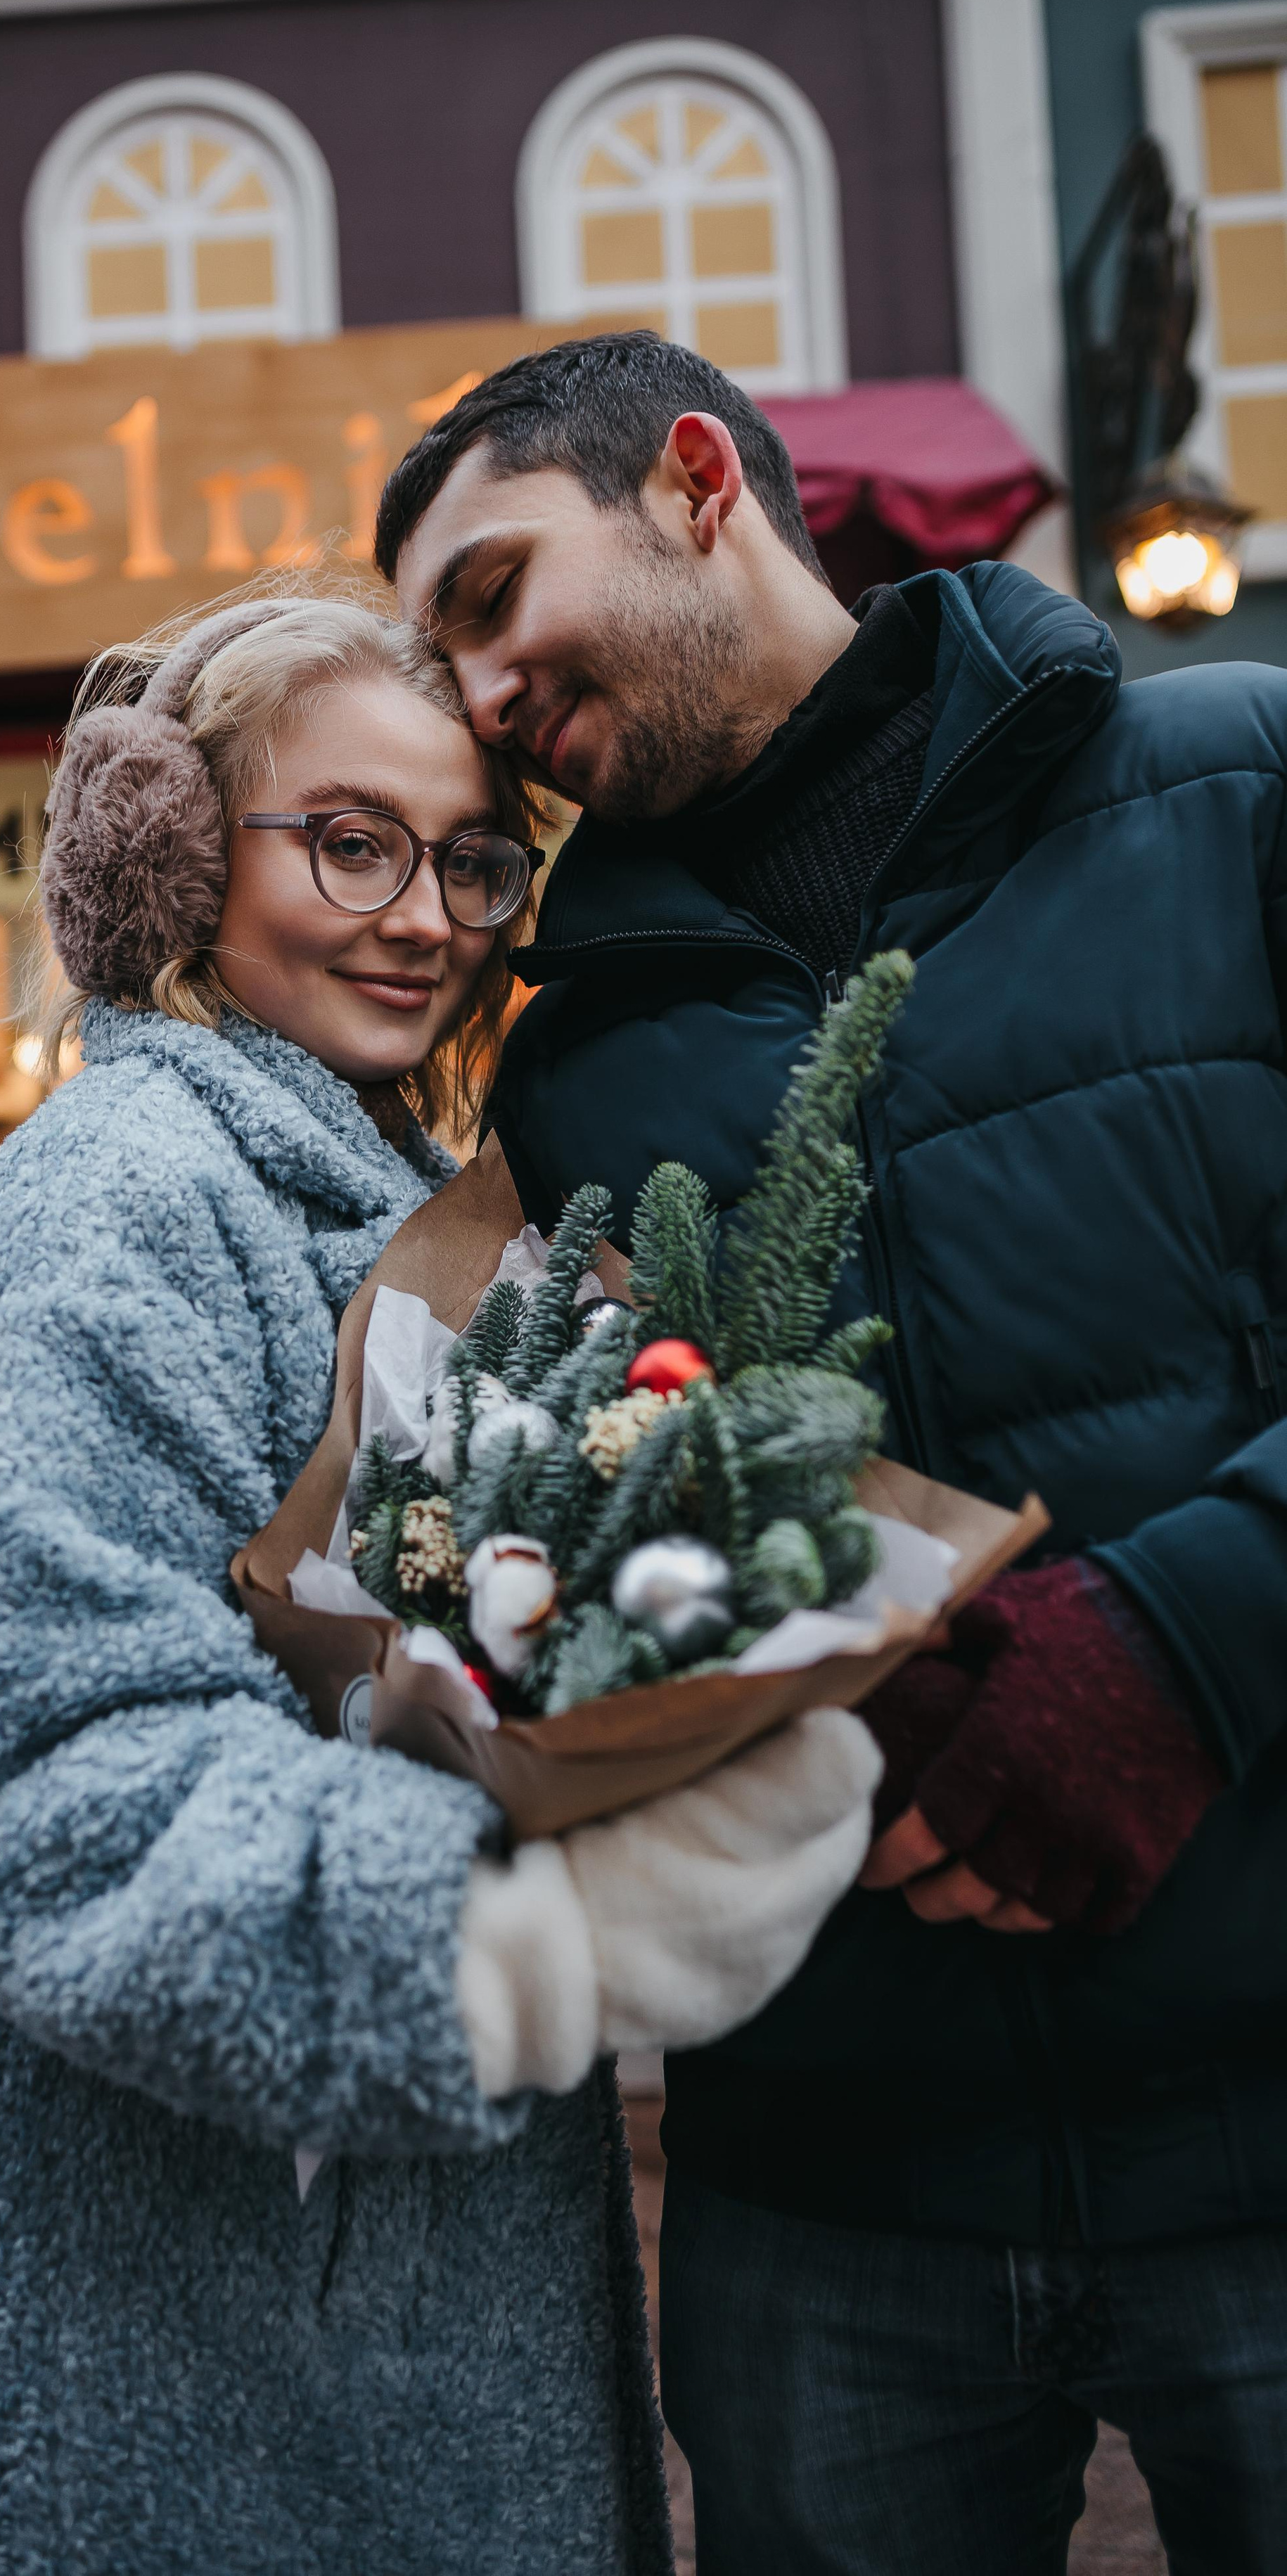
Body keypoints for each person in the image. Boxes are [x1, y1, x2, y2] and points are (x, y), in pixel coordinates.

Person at [0, 591, 882, 2575]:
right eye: (349, 840)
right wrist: (508, 1938)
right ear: (165, 849)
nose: (425, 917)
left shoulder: (379, 1207)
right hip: (147, 2403)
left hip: (358, 2339)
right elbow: (61, 1800)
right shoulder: (95, 1223)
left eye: (470, 856)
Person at [376, 333, 1287, 2576]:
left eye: (495, 593)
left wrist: (1178, 1641)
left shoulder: (1240, 774)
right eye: (434, 653)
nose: (475, 691)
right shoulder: (561, 1060)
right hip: (829, 2197)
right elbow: (596, 1525)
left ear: (697, 481)